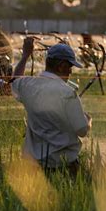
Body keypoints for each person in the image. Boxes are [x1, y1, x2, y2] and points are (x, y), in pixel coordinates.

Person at [11, 37, 92, 177]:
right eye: (70, 67)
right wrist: (88, 121)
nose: (70, 72)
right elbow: (82, 131)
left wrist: (25, 55)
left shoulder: (28, 85)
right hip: (63, 166)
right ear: (61, 66)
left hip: (33, 166)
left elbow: (14, 80)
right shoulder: (67, 93)